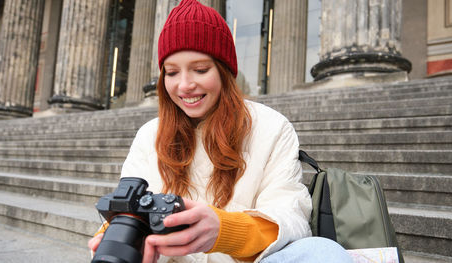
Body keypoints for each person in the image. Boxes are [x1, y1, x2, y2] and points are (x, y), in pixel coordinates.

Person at [88, 1, 353, 262]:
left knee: (323, 253)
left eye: (200, 70)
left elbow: (292, 219)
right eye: (171, 72)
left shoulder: (272, 127)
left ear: (225, 71)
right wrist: (113, 238)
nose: (184, 85)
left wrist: (223, 230)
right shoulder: (149, 134)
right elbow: (128, 210)